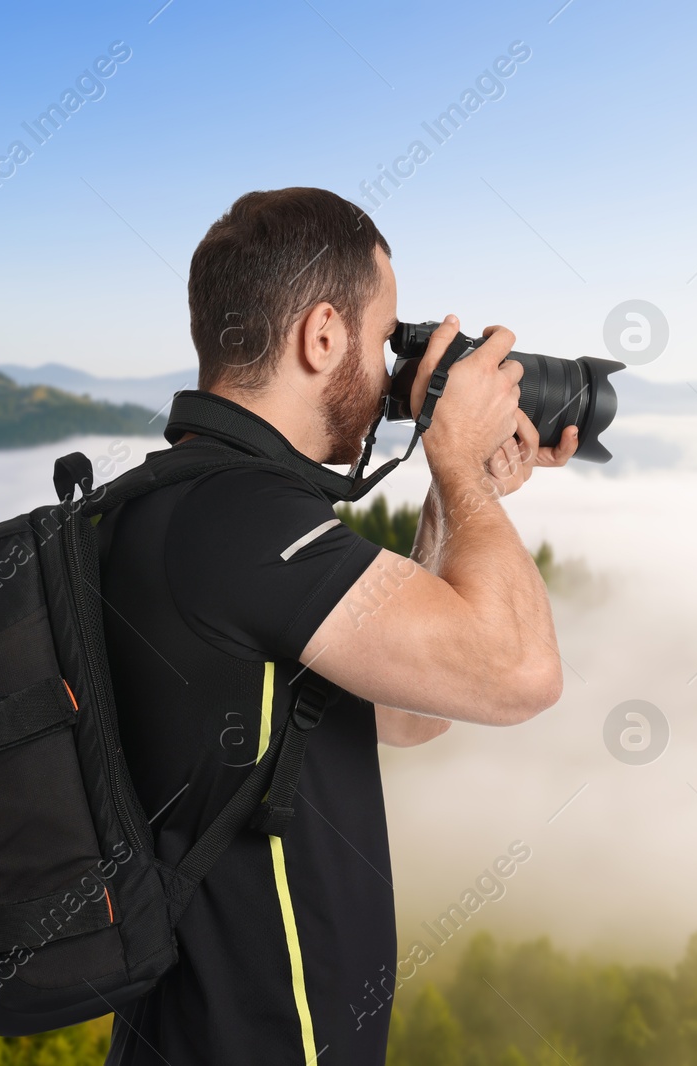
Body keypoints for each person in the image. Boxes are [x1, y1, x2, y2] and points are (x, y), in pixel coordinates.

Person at [97, 187, 575, 1065]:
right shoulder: (244, 524)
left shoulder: (189, 506)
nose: (397, 366)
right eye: (384, 332)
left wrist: (452, 492)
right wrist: (462, 471)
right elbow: (520, 673)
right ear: (322, 336)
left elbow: (413, 710)